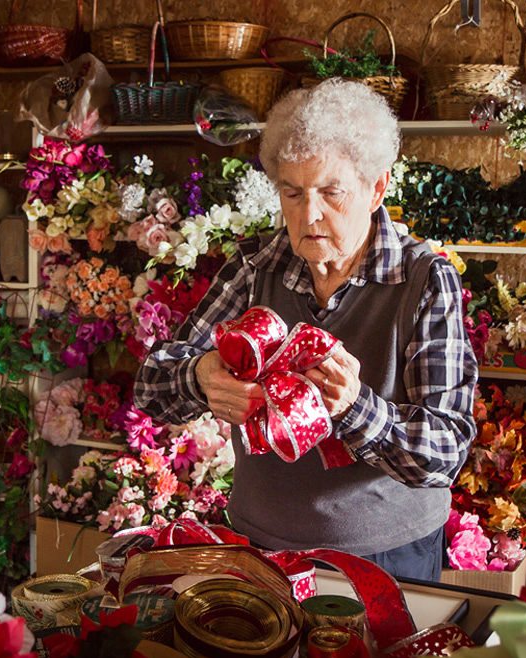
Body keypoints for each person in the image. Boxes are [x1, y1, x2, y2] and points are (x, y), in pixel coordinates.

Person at [134, 80, 477, 581]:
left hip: (385, 556)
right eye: (291, 193)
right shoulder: (257, 266)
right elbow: (150, 386)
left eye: (331, 192)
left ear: (377, 187)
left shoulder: (424, 280)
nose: (308, 214)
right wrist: (199, 377)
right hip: (262, 547)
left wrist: (356, 407)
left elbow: (444, 455)